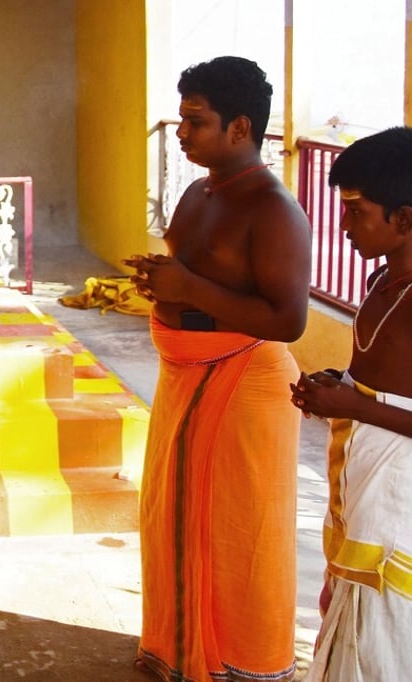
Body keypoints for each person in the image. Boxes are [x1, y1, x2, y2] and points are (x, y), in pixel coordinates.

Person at [124, 56, 311, 681]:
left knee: (239, 531)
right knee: (173, 517)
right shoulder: (198, 192)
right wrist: (163, 282)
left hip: (245, 385)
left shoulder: (274, 208)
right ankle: (179, 649)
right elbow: (196, 275)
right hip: (186, 376)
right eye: (181, 119)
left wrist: (190, 290)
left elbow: (288, 321)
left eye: (195, 122)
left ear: (239, 128)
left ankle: (245, 663)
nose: (181, 133)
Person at [289, 126, 412, 681]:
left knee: (384, 632)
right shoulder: (386, 278)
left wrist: (356, 406)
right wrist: (340, 386)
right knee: (352, 614)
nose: (342, 228)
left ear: (404, 220)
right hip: (358, 480)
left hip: (397, 497)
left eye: (356, 212)